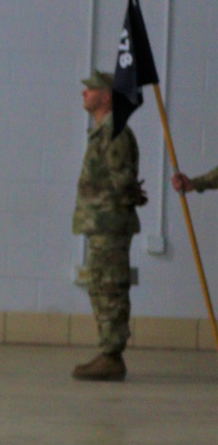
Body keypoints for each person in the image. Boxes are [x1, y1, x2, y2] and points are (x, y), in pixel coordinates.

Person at [71, 69, 147, 382]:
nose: (84, 94)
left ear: (105, 95)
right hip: (102, 224)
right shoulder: (104, 130)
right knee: (100, 285)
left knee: (110, 287)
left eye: (90, 90)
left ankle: (112, 355)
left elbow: (122, 179)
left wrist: (131, 197)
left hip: (111, 224)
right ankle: (108, 351)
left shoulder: (114, 130)